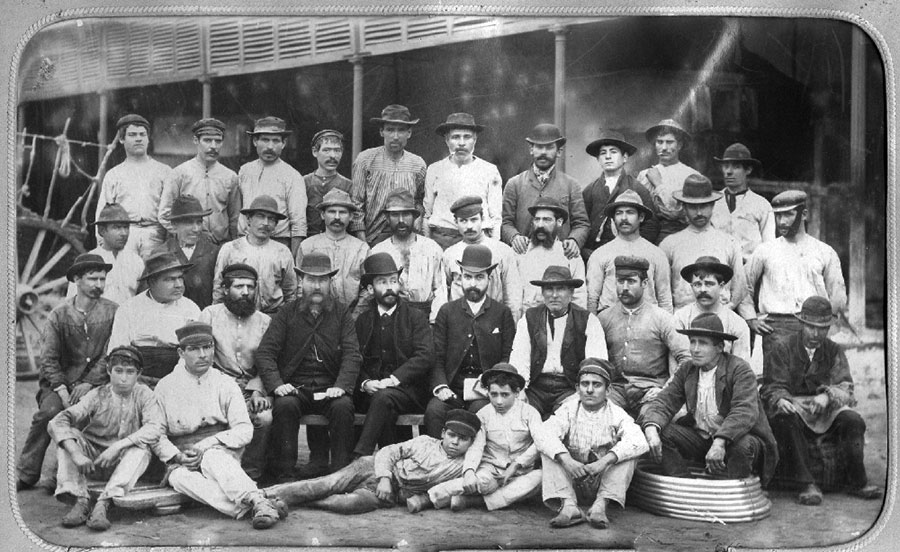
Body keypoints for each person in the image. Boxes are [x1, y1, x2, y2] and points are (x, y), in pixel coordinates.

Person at [153, 322, 286, 530]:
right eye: (194, 349)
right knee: (179, 478)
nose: (203, 354)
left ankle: (256, 501)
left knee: (213, 459)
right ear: (181, 352)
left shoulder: (225, 383)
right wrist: (177, 457)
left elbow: (244, 429)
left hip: (220, 451)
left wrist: (207, 445)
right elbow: (156, 434)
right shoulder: (165, 386)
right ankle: (257, 503)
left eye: (208, 347)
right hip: (181, 457)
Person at [760, 296, 882, 505]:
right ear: (802, 324)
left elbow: (846, 387)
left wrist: (827, 396)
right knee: (784, 419)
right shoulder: (782, 348)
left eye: (823, 328)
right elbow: (772, 385)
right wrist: (781, 400)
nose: (816, 334)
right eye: (811, 327)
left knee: (853, 420)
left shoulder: (834, 350)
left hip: (826, 410)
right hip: (794, 406)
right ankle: (806, 483)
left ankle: (857, 481)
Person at [17, 253, 119, 492]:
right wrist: (62, 389)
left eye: (102, 279)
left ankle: (64, 474)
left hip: (97, 383)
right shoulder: (59, 315)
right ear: (76, 280)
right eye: (92, 279)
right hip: (59, 384)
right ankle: (27, 473)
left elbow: (111, 353)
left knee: (90, 416)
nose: (99, 285)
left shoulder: (113, 312)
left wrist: (90, 383)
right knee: (48, 413)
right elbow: (49, 359)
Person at [255, 253, 361, 479]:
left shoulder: (341, 314)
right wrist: (277, 385)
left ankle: (340, 474)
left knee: (343, 407)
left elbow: (352, 354)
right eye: (311, 279)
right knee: (284, 405)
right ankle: (284, 474)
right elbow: (265, 353)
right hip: (296, 388)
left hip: (330, 387)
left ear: (330, 283)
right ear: (301, 281)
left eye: (322, 280)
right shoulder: (287, 313)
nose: (316, 286)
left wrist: (341, 385)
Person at [638, 313, 779, 483]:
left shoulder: (739, 369)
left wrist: (720, 442)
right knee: (662, 432)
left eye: (702, 343)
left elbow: (744, 412)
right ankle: (686, 486)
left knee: (744, 446)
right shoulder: (687, 369)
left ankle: (731, 493)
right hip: (702, 439)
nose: (695, 349)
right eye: (692, 342)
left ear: (720, 347)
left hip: (733, 440)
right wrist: (652, 429)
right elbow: (665, 401)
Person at [262, 409, 481, 514]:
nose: (455, 442)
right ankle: (263, 496)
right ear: (443, 433)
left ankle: (293, 502)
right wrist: (385, 477)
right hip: (374, 469)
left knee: (348, 504)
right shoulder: (425, 442)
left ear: (471, 443)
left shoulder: (462, 466)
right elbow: (388, 452)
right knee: (326, 484)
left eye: (463, 439)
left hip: (393, 493)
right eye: (452, 435)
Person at [47, 346, 163, 531]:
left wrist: (117, 447)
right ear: (109, 371)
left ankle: (104, 503)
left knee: (142, 449)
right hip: (92, 462)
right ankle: (81, 500)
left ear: (138, 373)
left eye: (130, 372)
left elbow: (155, 427)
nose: (123, 378)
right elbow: (58, 421)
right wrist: (77, 454)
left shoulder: (145, 394)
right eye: (118, 371)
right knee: (71, 438)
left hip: (122, 464)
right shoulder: (97, 394)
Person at [427, 363, 559, 512]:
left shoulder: (530, 413)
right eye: (494, 394)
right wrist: (469, 471)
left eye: (505, 395)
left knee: (540, 478)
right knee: (480, 482)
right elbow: (476, 446)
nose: (499, 401)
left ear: (517, 393)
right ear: (487, 392)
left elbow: (540, 443)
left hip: (520, 472)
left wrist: (517, 464)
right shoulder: (483, 415)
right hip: (491, 469)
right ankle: (430, 497)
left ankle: (475, 501)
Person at [539, 358, 649, 529]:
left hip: (602, 483)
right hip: (572, 479)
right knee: (549, 450)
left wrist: (604, 461)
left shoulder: (616, 413)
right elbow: (543, 433)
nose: (589, 390)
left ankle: (600, 507)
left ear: (608, 390)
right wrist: (567, 460)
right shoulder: (568, 409)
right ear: (577, 388)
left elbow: (639, 441)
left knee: (629, 455)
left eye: (596, 385)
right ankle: (569, 507)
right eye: (585, 384)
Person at [739, 190, 847, 358]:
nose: (781, 221)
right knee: (776, 382)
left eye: (788, 215)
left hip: (813, 327)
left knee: (812, 381)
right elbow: (743, 285)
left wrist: (825, 327)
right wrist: (751, 319)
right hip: (775, 329)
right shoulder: (765, 251)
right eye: (778, 216)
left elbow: (837, 293)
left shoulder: (824, 251)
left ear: (803, 214)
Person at [425, 244, 516, 438]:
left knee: (481, 413)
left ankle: (474, 465)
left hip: (486, 390)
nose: (473, 283)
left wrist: (493, 386)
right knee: (434, 411)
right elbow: (437, 356)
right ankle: (436, 462)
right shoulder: (447, 312)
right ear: (460, 279)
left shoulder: (502, 313)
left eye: (479, 277)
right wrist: (441, 386)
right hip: (452, 387)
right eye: (468, 277)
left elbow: (507, 355)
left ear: (489, 279)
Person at [199, 263, 273, 481]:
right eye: (239, 287)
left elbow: (270, 362)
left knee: (264, 418)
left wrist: (259, 391)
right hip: (218, 387)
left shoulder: (264, 321)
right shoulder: (209, 315)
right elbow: (201, 358)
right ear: (225, 289)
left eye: (250, 287)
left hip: (252, 389)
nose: (245, 293)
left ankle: (251, 473)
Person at [352, 253, 432, 457]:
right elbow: (353, 358)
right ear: (370, 289)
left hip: (409, 390)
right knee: (378, 404)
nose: (389, 287)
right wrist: (365, 383)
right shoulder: (363, 320)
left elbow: (425, 356)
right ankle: (391, 464)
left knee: (383, 398)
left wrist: (393, 379)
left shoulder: (415, 317)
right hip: (374, 392)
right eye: (382, 282)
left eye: (393, 281)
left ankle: (360, 456)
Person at [509, 266, 607, 417]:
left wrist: (581, 393)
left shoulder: (587, 320)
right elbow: (519, 359)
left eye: (560, 289)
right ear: (542, 293)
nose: (554, 295)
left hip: (569, 388)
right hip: (535, 388)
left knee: (570, 419)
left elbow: (594, 364)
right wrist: (520, 390)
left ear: (571, 292)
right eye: (549, 289)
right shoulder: (530, 318)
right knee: (521, 416)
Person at [599, 256, 690, 418]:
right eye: (620, 281)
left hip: (651, 389)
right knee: (601, 417)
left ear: (645, 284)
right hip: (616, 390)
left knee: (651, 420)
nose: (624, 287)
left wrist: (666, 389)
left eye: (631, 281)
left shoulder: (662, 318)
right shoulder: (604, 318)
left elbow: (686, 358)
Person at [107, 252, 201, 387]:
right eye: (170, 279)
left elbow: (195, 352)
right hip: (137, 379)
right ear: (151, 282)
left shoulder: (190, 309)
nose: (179, 285)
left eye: (180, 278)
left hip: (178, 379)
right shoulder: (129, 308)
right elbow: (117, 351)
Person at [659, 174, 747, 311]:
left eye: (704, 206)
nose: (699, 213)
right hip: (683, 318)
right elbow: (663, 289)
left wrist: (726, 311)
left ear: (712, 205)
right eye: (693, 207)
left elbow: (739, 287)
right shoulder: (669, 244)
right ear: (684, 207)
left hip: (719, 317)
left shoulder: (729, 242)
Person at [501, 123, 589, 259]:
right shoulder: (514, 184)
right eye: (539, 146)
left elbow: (581, 223)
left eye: (549, 147)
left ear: (559, 152)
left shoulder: (571, 185)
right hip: (523, 257)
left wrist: (574, 240)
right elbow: (506, 222)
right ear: (531, 149)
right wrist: (514, 237)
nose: (543, 152)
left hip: (560, 258)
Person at [95, 114, 172, 259]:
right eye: (132, 135)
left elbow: (171, 209)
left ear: (148, 139)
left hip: (155, 235)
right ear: (122, 139)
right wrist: (103, 244)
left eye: (142, 134)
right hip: (124, 236)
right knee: (126, 278)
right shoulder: (114, 175)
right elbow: (102, 213)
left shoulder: (165, 172)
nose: (138, 138)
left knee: (152, 278)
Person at [585, 190, 672, 314]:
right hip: (610, 324)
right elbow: (592, 299)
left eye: (630, 213)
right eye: (619, 213)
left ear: (641, 217)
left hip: (647, 323)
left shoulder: (656, 254)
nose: (624, 218)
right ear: (614, 218)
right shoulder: (600, 254)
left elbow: (664, 300)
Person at [423, 113, 502, 248]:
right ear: (447, 140)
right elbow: (427, 214)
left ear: (475, 139)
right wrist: (429, 246)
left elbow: (496, 217)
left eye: (467, 137)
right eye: (455, 137)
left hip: (478, 241)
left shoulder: (489, 170)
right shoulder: (435, 169)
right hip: (443, 240)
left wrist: (493, 247)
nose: (461, 143)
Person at [351, 104, 427, 245]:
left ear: (409, 133)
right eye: (390, 130)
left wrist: (418, 219)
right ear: (381, 131)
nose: (395, 136)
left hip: (407, 235)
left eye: (401, 130)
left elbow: (420, 201)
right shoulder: (365, 160)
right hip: (373, 236)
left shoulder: (418, 164)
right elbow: (356, 204)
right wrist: (362, 243)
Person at [159, 118, 241, 245]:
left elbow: (235, 218)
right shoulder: (179, 174)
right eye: (207, 140)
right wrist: (190, 233)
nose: (213, 146)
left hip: (221, 245)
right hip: (187, 245)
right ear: (196, 140)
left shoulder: (230, 177)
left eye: (218, 141)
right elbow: (164, 214)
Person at [212, 194, 298, 314]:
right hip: (237, 314)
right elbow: (219, 288)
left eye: (271, 219)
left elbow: (290, 292)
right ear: (248, 219)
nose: (266, 223)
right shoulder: (231, 249)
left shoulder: (282, 252)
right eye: (260, 216)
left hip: (273, 315)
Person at [370, 189, 446, 322]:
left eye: (406, 214)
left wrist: (433, 323)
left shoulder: (432, 248)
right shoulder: (378, 251)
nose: (401, 220)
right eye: (395, 215)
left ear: (414, 216)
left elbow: (440, 291)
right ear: (387, 218)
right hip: (390, 319)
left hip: (425, 318)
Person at [581, 130, 659, 259]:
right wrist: (585, 250)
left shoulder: (637, 188)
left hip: (627, 253)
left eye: (613, 152)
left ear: (624, 158)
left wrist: (632, 250)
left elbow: (651, 227)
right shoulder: (590, 190)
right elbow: (581, 222)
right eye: (603, 153)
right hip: (594, 254)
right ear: (598, 159)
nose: (607, 157)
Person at [442, 196, 523, 320]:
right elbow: (444, 295)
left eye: (474, 220)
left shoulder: (502, 251)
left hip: (493, 322)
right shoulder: (449, 254)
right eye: (463, 221)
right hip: (459, 323)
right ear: (455, 222)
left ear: (483, 219)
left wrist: (510, 329)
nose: (469, 226)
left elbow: (512, 297)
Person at [238, 116, 307, 257]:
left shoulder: (292, 176)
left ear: (283, 143)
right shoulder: (245, 171)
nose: (270, 147)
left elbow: (298, 225)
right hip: (245, 244)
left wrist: (291, 260)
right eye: (265, 140)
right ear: (255, 141)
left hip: (278, 244)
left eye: (275, 141)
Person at [295, 188, 369, 313]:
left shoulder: (361, 249)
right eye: (332, 211)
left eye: (343, 212)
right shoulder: (308, 246)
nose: (337, 217)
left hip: (351, 315)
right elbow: (299, 286)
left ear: (351, 216)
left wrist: (356, 315)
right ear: (322, 215)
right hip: (314, 314)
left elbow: (367, 289)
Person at [514, 197, 587, 311]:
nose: (540, 225)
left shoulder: (569, 253)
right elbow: (513, 295)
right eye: (537, 219)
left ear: (559, 222)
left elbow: (579, 296)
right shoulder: (521, 252)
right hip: (526, 320)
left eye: (547, 220)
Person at [673, 256, 752, 363]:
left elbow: (741, 366)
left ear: (721, 286)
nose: (703, 289)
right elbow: (675, 360)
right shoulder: (680, 318)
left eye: (709, 284)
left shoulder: (737, 324)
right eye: (697, 284)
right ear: (691, 287)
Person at [635, 119, 700, 243]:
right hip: (649, 238)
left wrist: (658, 183)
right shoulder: (644, 175)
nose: (664, 148)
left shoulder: (691, 175)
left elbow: (674, 213)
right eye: (660, 142)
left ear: (679, 145)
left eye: (670, 142)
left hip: (683, 238)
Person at [68, 203, 145, 305]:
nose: (123, 233)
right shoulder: (87, 262)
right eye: (117, 228)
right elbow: (72, 303)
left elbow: (143, 301)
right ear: (102, 230)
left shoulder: (137, 262)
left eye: (126, 227)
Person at [151, 194, 219, 310]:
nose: (196, 229)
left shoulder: (213, 252)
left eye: (199, 222)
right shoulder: (161, 253)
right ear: (174, 225)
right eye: (189, 223)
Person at [710, 143, 774, 264]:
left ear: (748, 170)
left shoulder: (762, 205)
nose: (728, 172)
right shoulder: (712, 202)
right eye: (725, 166)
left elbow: (769, 247)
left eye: (736, 167)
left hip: (749, 271)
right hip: (718, 271)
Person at [304, 129, 353, 237]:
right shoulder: (304, 183)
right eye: (326, 150)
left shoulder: (348, 185)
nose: (333, 156)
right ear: (315, 152)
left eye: (337, 150)